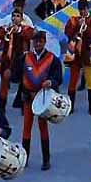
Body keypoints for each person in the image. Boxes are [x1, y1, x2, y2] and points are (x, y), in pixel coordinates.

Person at [19, 30, 64, 171]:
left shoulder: (52, 59)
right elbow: (16, 73)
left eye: (40, 41)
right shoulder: (25, 58)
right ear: (32, 42)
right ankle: (24, 159)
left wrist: (51, 82)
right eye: (36, 41)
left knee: (43, 128)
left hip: (43, 100)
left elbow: (58, 77)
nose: (38, 43)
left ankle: (46, 160)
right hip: (28, 97)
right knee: (26, 128)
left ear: (44, 42)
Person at [0, 0, 35, 109]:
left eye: (17, 16)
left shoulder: (26, 25)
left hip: (21, 59)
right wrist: (6, 30)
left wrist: (20, 31)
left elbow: (31, 34)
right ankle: (2, 108)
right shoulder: (7, 24)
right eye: (14, 16)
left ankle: (23, 105)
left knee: (25, 82)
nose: (15, 18)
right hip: (7, 59)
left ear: (21, 18)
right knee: (4, 82)